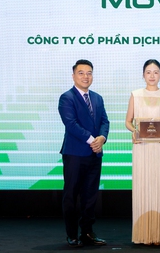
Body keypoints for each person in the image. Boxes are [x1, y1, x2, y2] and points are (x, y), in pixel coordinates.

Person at [58, 59, 110, 248]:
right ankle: (72, 235)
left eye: (89, 73)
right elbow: (71, 124)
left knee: (90, 196)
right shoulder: (67, 98)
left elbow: (104, 121)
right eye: (81, 73)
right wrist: (92, 141)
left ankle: (87, 232)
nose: (85, 76)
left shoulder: (97, 98)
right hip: (75, 154)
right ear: (73, 76)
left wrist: (102, 138)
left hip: (95, 154)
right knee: (71, 195)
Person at [124, 59, 160, 245]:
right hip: (142, 148)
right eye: (148, 72)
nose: (152, 76)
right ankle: (145, 234)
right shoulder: (135, 95)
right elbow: (128, 121)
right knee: (144, 187)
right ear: (143, 75)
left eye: (156, 72)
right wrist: (134, 131)